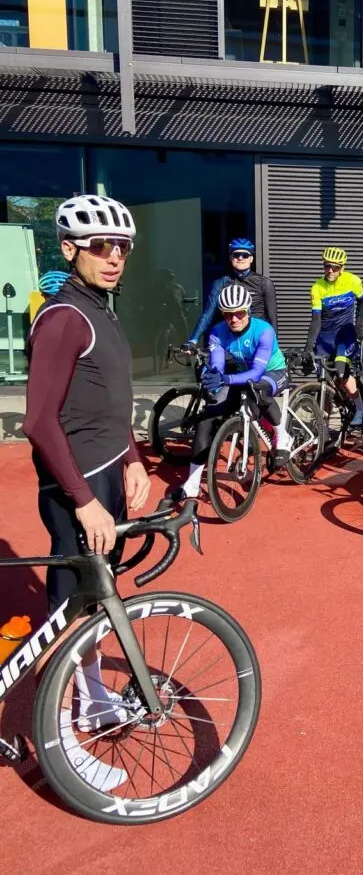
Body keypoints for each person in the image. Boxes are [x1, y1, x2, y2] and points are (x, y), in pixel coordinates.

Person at [23, 194, 151, 788]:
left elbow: (108, 399)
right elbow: (38, 421)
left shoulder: (101, 309)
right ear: (69, 248)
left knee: (98, 597)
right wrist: (83, 499)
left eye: (122, 246)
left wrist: (134, 459)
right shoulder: (64, 317)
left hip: (105, 473)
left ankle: (94, 701)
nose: (114, 256)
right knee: (72, 608)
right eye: (101, 246)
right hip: (76, 483)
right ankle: (63, 741)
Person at [176, 283, 292, 499]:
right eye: (228, 314)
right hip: (242, 374)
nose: (234, 319)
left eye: (239, 313)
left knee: (259, 389)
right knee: (207, 417)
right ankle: (191, 483)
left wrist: (226, 379)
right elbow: (218, 365)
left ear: (248, 311)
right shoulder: (217, 332)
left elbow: (256, 373)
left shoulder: (264, 330)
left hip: (273, 372)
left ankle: (282, 436)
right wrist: (213, 375)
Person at [305, 246, 363, 426]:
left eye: (335, 267)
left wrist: (358, 327)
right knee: (323, 380)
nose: (330, 270)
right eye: (327, 266)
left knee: (342, 371)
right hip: (325, 337)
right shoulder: (317, 287)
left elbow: (362, 303)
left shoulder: (353, 281)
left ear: (342, 268)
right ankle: (323, 423)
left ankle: (360, 407)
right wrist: (308, 346)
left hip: (345, 334)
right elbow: (315, 320)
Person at [187, 238, 278, 345]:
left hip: (255, 337)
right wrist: (193, 340)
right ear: (231, 257)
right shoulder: (221, 282)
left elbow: (272, 317)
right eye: (236, 255)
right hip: (230, 338)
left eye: (245, 255)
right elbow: (208, 314)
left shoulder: (264, 283)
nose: (240, 258)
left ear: (251, 259)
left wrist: (274, 344)